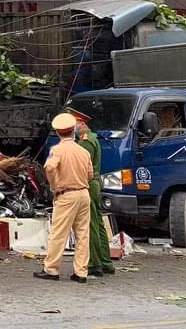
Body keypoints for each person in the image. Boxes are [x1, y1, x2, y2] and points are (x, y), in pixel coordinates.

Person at [34, 112, 93, 283]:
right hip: (83, 194)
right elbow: (90, 174)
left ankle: (51, 269)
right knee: (83, 234)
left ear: (58, 132)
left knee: (59, 233)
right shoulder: (83, 151)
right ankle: (81, 272)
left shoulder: (57, 150)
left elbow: (50, 168)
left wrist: (54, 185)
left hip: (66, 195)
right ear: (73, 130)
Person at [70, 108, 115, 277]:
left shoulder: (86, 141)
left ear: (80, 123)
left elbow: (83, 166)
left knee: (90, 224)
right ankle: (105, 261)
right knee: (98, 223)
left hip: (88, 183)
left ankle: (94, 263)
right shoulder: (92, 138)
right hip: (94, 184)